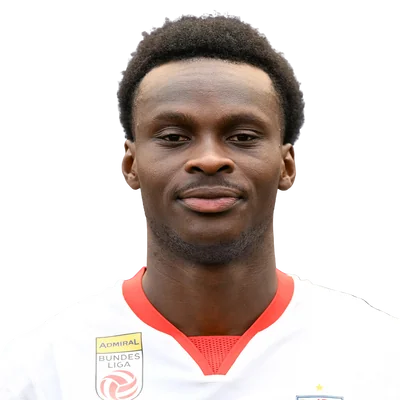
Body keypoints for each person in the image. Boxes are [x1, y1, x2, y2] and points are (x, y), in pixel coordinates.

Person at [1, 14, 399, 400]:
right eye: (174, 137)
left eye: (243, 136)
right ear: (131, 165)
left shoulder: (380, 356)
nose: (209, 160)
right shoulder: (41, 367)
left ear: (287, 166)